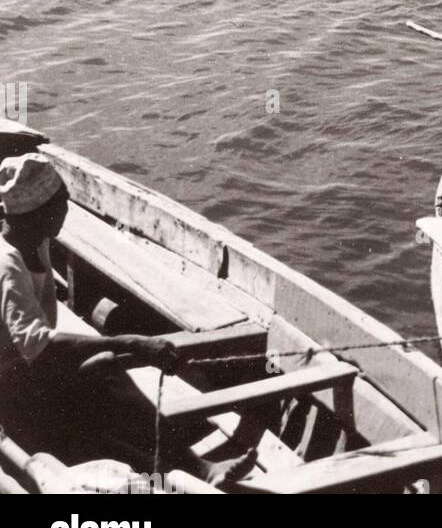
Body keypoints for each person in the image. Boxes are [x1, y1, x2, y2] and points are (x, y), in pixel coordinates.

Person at [0, 152, 254, 484]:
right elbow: (38, 346)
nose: (65, 209)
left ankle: (183, 468)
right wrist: (134, 343)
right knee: (105, 368)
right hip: (10, 394)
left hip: (27, 374)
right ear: (38, 213)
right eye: (60, 202)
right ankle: (194, 470)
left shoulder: (34, 239)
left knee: (103, 381)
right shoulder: (8, 265)